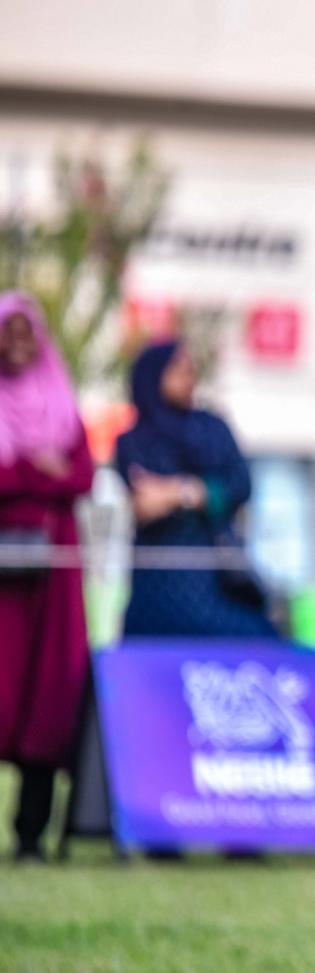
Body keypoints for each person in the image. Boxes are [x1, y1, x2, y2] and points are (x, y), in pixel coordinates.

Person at [0, 292, 94, 862]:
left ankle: (31, 831)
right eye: (6, 333)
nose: (15, 345)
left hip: (53, 580)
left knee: (46, 697)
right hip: (5, 585)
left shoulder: (63, 406)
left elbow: (80, 475)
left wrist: (21, 471)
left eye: (24, 333)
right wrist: (41, 469)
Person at [115, 341, 276, 639]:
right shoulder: (133, 441)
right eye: (178, 371)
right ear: (153, 377)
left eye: (192, 371)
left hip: (216, 576)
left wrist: (177, 492)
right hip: (155, 582)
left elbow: (240, 486)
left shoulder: (212, 428)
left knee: (259, 638)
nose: (189, 379)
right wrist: (204, 492)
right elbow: (145, 505)